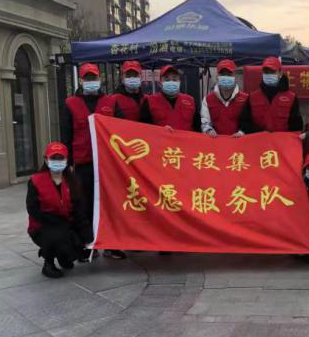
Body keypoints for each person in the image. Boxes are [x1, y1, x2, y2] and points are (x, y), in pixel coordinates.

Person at [60, 63, 125, 260]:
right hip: (82, 164)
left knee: (109, 204)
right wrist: (67, 163)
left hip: (107, 164)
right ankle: (88, 244)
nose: (91, 82)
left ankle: (111, 245)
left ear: (99, 79)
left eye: (93, 78)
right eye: (87, 78)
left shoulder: (110, 102)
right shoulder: (70, 104)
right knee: (84, 205)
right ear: (81, 81)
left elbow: (122, 130)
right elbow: (66, 135)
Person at [27, 143, 93, 278]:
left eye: (60, 158)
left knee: (78, 242)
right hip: (43, 226)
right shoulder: (36, 181)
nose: (57, 162)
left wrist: (87, 234)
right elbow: (32, 209)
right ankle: (48, 263)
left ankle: (64, 257)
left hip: (66, 223)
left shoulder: (73, 181)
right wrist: (54, 222)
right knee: (57, 236)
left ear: (66, 160)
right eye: (53, 158)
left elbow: (79, 210)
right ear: (46, 160)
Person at [240, 56, 303, 133]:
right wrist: (259, 132)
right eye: (266, 72)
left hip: (282, 139)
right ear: (262, 73)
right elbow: (244, 123)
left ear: (280, 73)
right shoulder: (252, 97)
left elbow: (297, 126)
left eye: (272, 72)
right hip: (259, 139)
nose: (269, 75)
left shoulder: (291, 98)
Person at [140, 64, 201, 132]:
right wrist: (159, 130)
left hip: (187, 139)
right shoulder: (149, 102)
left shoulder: (191, 101)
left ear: (179, 82)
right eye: (167, 79)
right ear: (160, 83)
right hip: (160, 138)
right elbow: (144, 129)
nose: (171, 82)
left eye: (174, 79)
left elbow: (198, 128)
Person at [201, 59, 249, 137]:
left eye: (229, 74)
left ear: (235, 76)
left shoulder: (245, 99)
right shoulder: (207, 100)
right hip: (215, 142)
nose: (226, 77)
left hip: (239, 142)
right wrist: (209, 131)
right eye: (222, 74)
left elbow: (248, 123)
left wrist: (241, 133)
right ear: (217, 77)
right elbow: (205, 122)